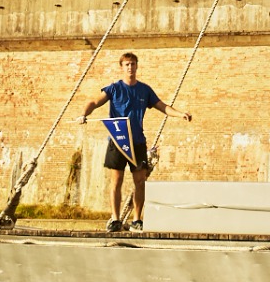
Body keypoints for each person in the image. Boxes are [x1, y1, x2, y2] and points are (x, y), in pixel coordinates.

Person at [78, 51, 190, 232]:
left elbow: (162, 106)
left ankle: (137, 219)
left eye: (133, 64)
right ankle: (115, 219)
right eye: (127, 65)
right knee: (117, 180)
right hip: (118, 140)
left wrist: (180, 114)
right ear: (121, 67)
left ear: (137, 66)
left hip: (137, 142)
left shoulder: (144, 90)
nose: (130, 67)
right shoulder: (114, 88)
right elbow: (94, 101)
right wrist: (84, 114)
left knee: (140, 181)